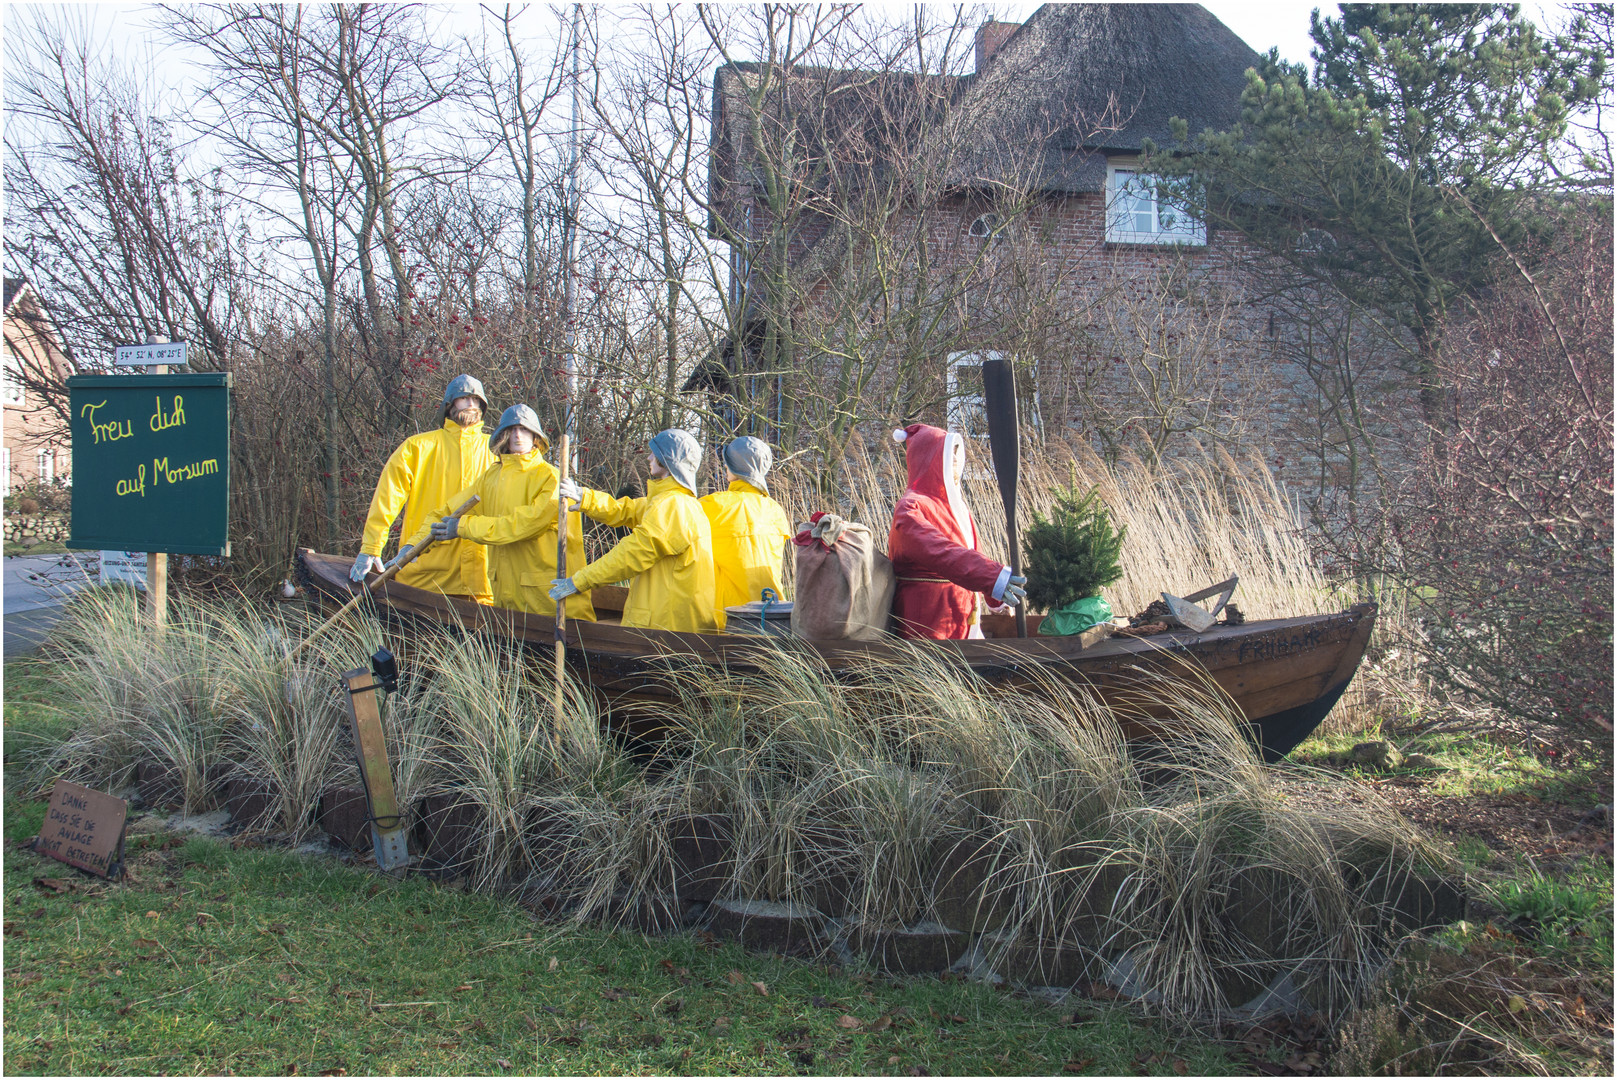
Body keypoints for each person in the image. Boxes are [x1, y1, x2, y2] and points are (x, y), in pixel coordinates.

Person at [400, 405, 595, 619]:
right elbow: (448, 511)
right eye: (512, 430)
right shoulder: (491, 478)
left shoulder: (552, 479)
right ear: (503, 436)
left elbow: (522, 525)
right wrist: (413, 545)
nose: (518, 435)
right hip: (506, 607)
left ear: (536, 436)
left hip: (550, 605)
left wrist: (463, 527)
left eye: (525, 429)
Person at [549, 429, 718, 632]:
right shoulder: (666, 502)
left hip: (666, 627)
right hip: (668, 622)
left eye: (654, 453)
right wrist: (585, 498)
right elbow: (624, 510)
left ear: (667, 460)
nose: (648, 457)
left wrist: (580, 580)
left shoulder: (673, 506)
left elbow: (632, 554)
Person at [351, 374, 496, 602]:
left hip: (482, 578)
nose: (470, 403)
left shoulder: (497, 451)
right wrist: (371, 546)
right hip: (423, 575)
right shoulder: (417, 447)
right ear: (449, 404)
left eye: (476, 400)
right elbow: (387, 500)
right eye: (464, 397)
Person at [887, 423, 1027, 639]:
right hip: (928, 621)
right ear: (929, 459)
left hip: (962, 616)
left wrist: (995, 598)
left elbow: (973, 554)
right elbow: (940, 552)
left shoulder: (957, 508)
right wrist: (993, 578)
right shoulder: (910, 508)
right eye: (946, 454)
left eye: (955, 454)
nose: (954, 460)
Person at [700, 436, 793, 628]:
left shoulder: (714, 505)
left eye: (728, 464)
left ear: (734, 468)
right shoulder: (775, 509)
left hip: (730, 617)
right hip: (773, 617)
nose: (725, 467)